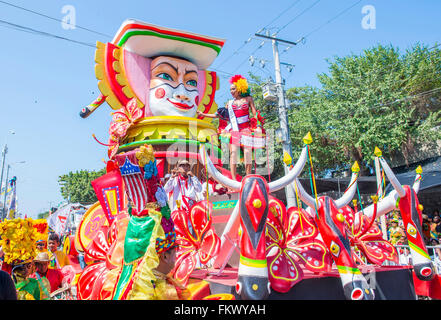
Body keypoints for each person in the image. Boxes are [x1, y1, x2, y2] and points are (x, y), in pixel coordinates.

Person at [198, 75, 263, 179]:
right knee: (233, 153)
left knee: (247, 152)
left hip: (246, 129)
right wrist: (204, 114)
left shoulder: (248, 99)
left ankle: (248, 177)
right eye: (230, 89)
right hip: (234, 131)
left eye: (233, 89)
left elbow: (255, 114)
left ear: (240, 88)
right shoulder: (230, 103)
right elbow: (219, 115)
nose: (231, 91)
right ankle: (233, 179)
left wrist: (258, 125)